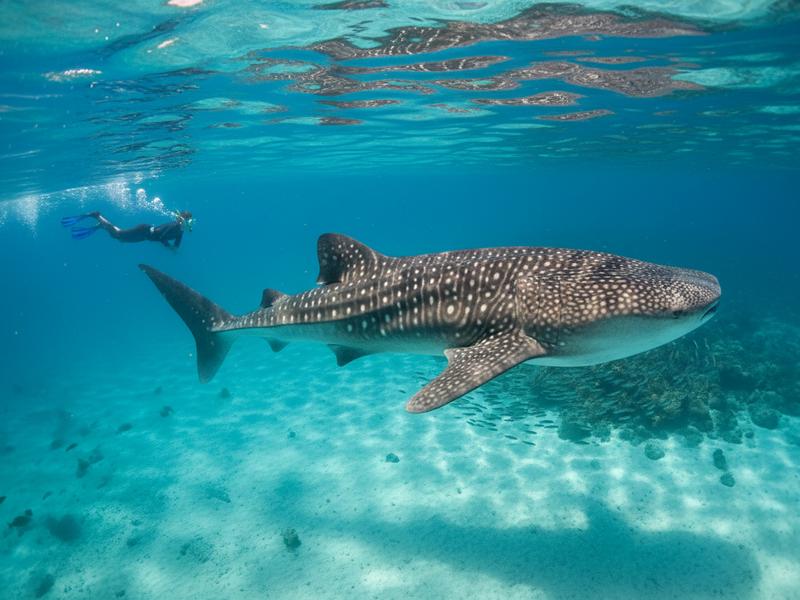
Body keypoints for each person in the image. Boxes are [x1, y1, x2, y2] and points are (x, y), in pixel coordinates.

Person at [61, 210, 194, 248]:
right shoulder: (175, 226)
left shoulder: (180, 231)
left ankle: (102, 225)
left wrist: (174, 248)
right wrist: (167, 246)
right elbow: (161, 237)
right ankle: (97, 216)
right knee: (118, 235)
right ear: (183, 220)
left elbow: (176, 245)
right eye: (188, 221)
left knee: (120, 238)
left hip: (145, 236)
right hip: (144, 230)